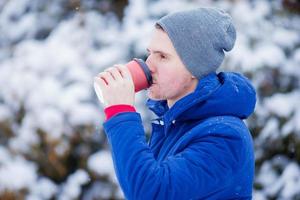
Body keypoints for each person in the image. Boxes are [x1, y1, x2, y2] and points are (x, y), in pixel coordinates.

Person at [94, 7, 256, 200]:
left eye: (162, 56)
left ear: (196, 68)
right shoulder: (175, 124)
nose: (149, 64)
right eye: (150, 53)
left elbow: (150, 193)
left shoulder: (225, 137)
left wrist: (121, 113)